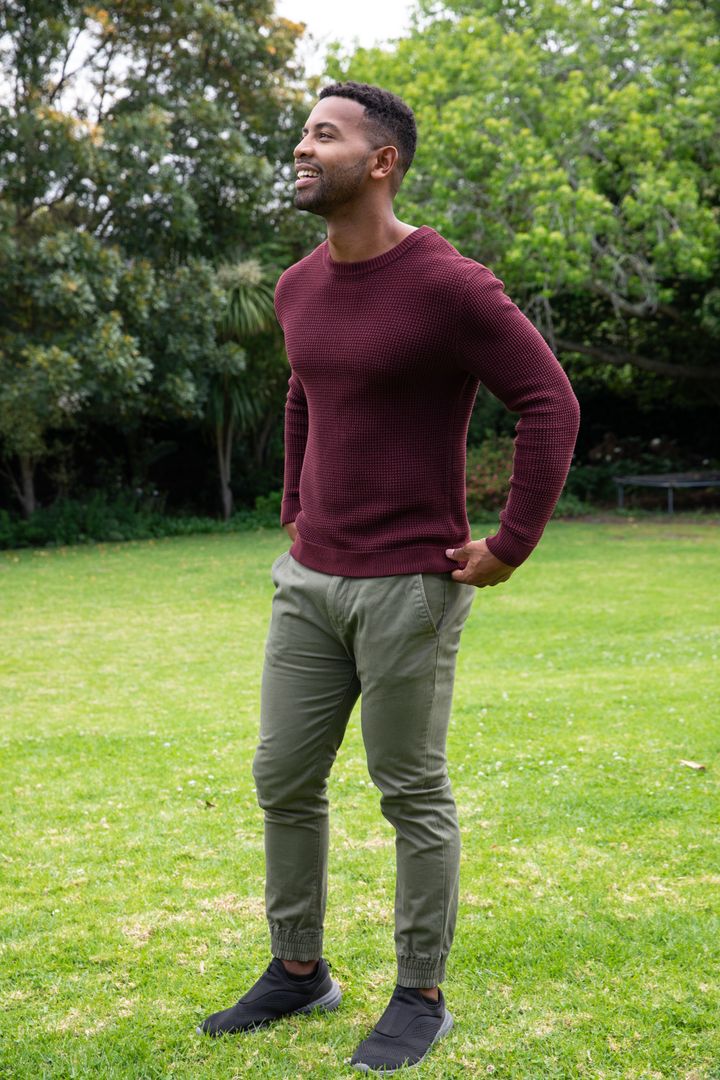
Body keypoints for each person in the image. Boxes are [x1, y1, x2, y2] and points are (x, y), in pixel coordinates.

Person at [199, 81, 580, 1072]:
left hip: (412, 583)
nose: (301, 147)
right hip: (309, 581)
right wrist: (293, 504)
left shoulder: (450, 284)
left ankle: (420, 992)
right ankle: (298, 970)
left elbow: (550, 402)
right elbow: (303, 395)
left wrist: (513, 540)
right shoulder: (297, 287)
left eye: (324, 135)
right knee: (281, 779)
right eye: (301, 132)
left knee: (409, 790)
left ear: (382, 162)